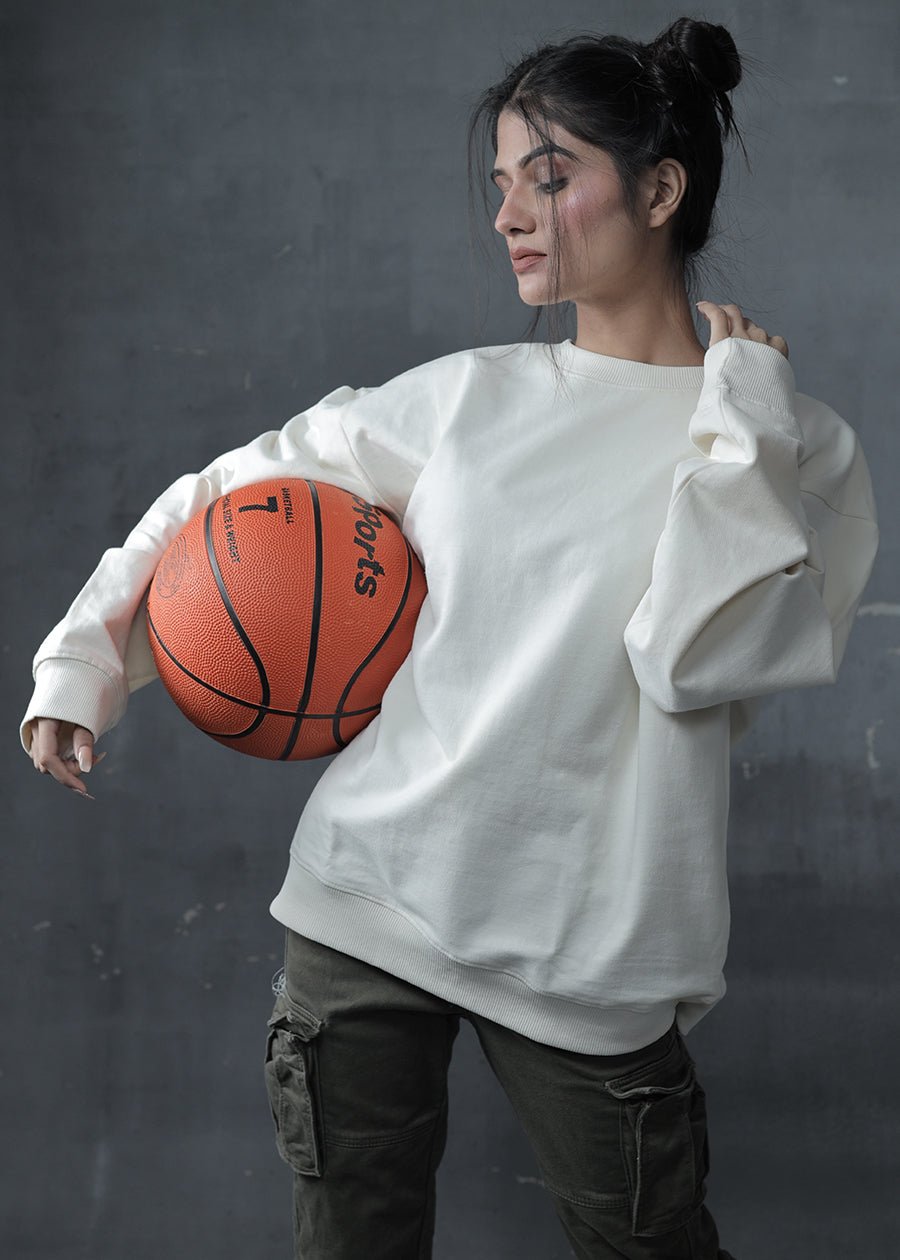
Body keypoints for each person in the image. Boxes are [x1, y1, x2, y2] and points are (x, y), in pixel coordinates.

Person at [20, 15, 879, 1260]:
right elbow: (227, 498)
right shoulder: (463, 400)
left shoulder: (801, 450)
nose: (510, 215)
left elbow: (694, 655)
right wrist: (84, 662)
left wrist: (742, 424)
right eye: (502, 183)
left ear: (659, 191)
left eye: (551, 177)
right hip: (367, 902)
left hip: (599, 952)